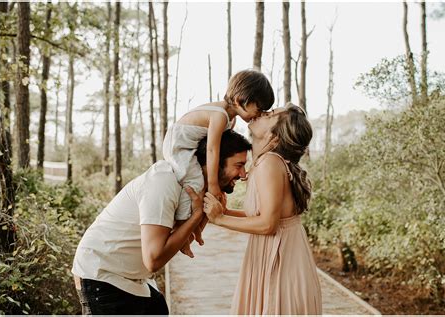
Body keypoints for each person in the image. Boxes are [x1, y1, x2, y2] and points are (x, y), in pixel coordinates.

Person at [72, 130, 251, 315]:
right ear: (214, 162)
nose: (243, 174)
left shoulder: (194, 188)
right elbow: (154, 260)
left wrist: (205, 214)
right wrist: (196, 216)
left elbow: (183, 244)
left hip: (136, 279)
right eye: (239, 165)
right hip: (102, 275)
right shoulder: (164, 182)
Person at [204, 104, 322, 314]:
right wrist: (227, 212)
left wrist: (219, 219)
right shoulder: (268, 162)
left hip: (282, 261)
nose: (263, 113)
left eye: (270, 115)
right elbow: (263, 216)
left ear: (275, 136)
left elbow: (268, 224)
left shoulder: (270, 163)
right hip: (280, 253)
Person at [163, 69, 274, 225]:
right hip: (178, 146)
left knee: (213, 193)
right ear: (239, 100)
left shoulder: (230, 120)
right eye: (258, 109)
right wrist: (213, 185)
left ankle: (197, 229)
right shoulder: (220, 115)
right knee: (196, 184)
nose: (258, 115)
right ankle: (182, 223)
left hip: (190, 146)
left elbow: (227, 150)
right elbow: (212, 149)